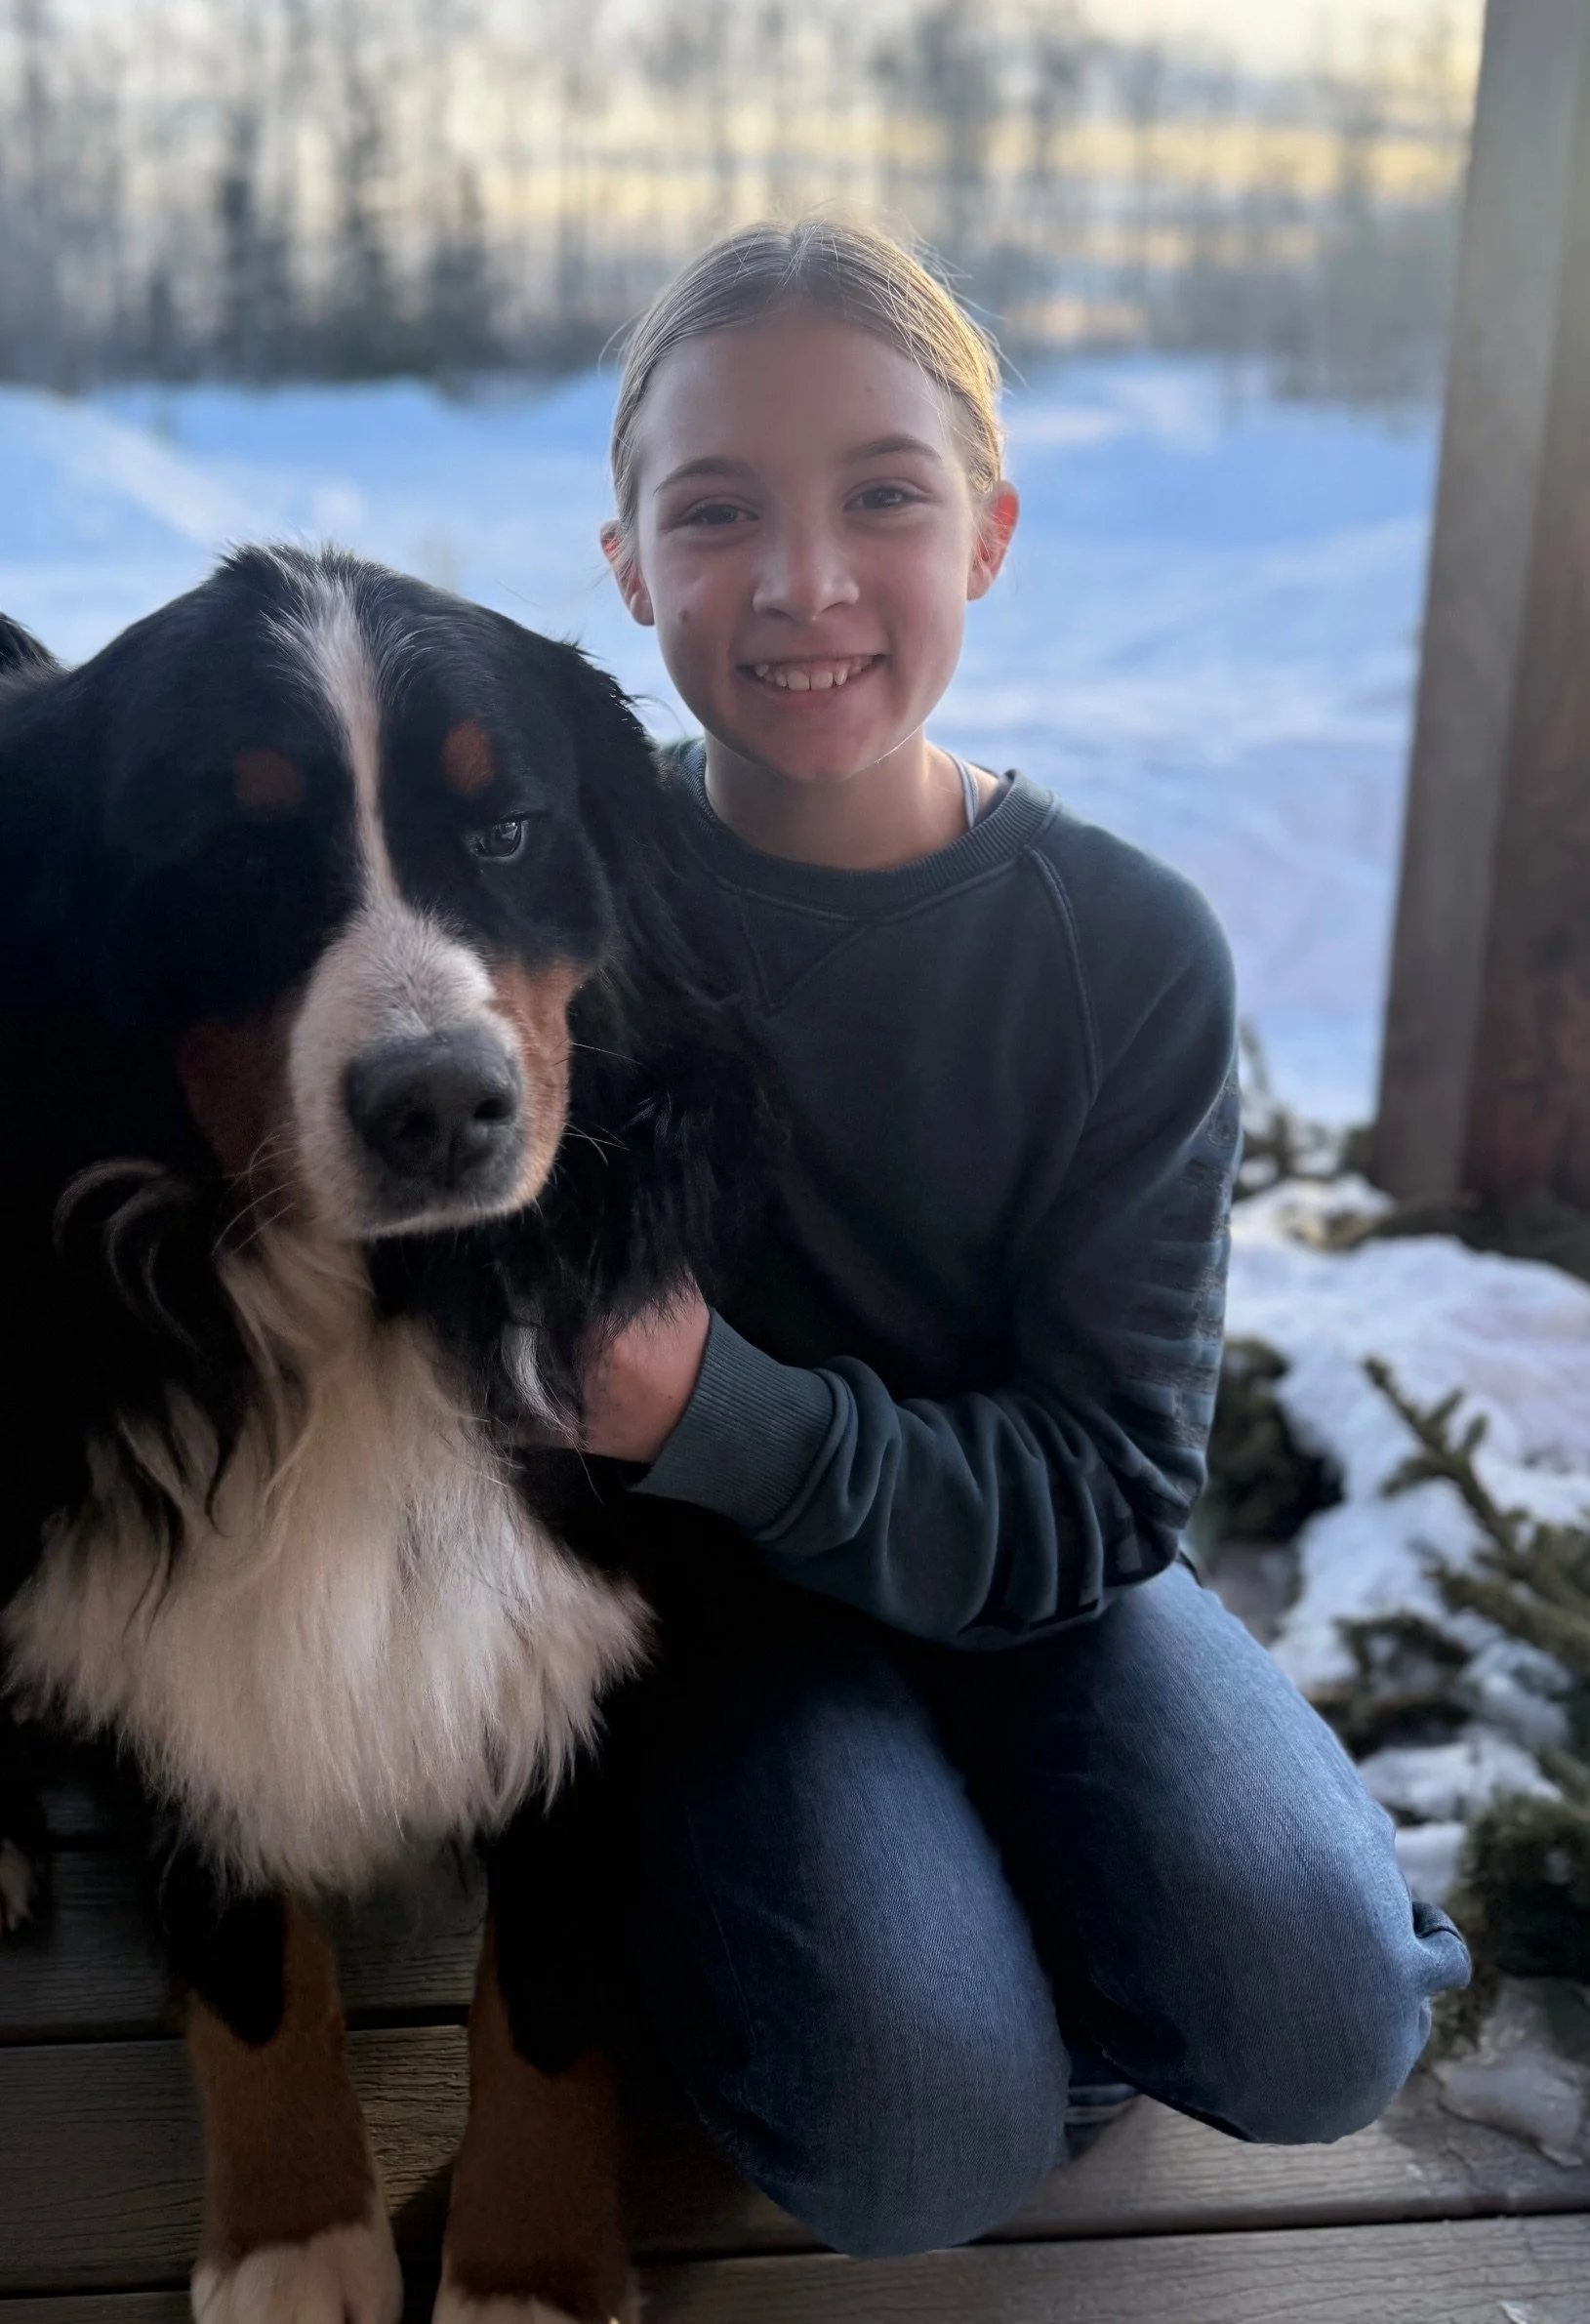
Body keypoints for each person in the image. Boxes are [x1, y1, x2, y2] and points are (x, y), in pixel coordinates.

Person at [573, 215, 1470, 2258]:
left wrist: (727, 1405)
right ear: (627, 569)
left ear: (985, 531)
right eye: (716, 513)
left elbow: (1113, 1485)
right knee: (917, 2151)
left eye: (881, 495)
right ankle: (878, 1980)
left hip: (1044, 1589)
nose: (802, 583)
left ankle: (976, 1939)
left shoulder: (1127, 950)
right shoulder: (575, 894)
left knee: (1330, 2026)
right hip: (724, 1631)